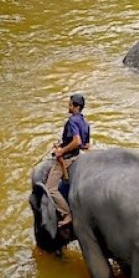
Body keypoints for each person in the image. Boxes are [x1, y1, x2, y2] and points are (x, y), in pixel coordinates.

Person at [47, 93, 91, 226]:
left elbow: (77, 141)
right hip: (77, 157)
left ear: (76, 106)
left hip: (66, 159)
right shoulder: (85, 122)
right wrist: (62, 144)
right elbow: (86, 145)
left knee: (50, 189)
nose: (68, 106)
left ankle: (66, 212)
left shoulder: (72, 121)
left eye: (70, 104)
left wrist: (61, 150)